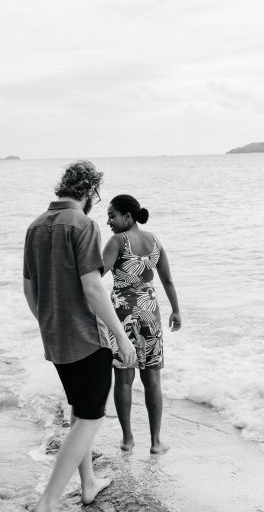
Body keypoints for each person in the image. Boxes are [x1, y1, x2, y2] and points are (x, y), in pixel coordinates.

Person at [22, 161, 137, 512]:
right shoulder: (82, 224)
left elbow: (29, 288)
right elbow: (92, 287)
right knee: (90, 418)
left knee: (79, 411)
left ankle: (88, 484)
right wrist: (121, 337)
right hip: (86, 337)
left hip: (54, 335)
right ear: (90, 193)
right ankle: (47, 502)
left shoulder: (36, 226)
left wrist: (49, 321)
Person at [102, 194, 181, 455]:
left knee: (124, 380)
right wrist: (176, 311)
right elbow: (167, 280)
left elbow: (96, 274)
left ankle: (127, 440)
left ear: (128, 216)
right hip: (151, 314)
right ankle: (156, 443)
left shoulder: (117, 241)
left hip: (124, 316)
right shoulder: (154, 241)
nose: (109, 221)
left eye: (112, 215)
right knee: (153, 380)